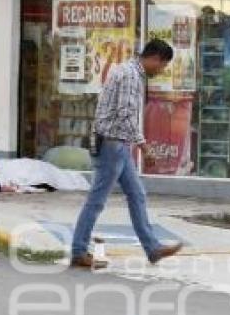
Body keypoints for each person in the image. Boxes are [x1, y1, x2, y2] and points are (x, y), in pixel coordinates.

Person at [70, 39, 183, 269]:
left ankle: (152, 249)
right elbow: (124, 115)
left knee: (137, 195)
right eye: (162, 67)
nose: (161, 71)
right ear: (154, 59)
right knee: (96, 201)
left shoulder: (128, 71)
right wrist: (144, 146)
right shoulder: (131, 76)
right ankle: (78, 251)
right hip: (112, 145)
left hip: (118, 145)